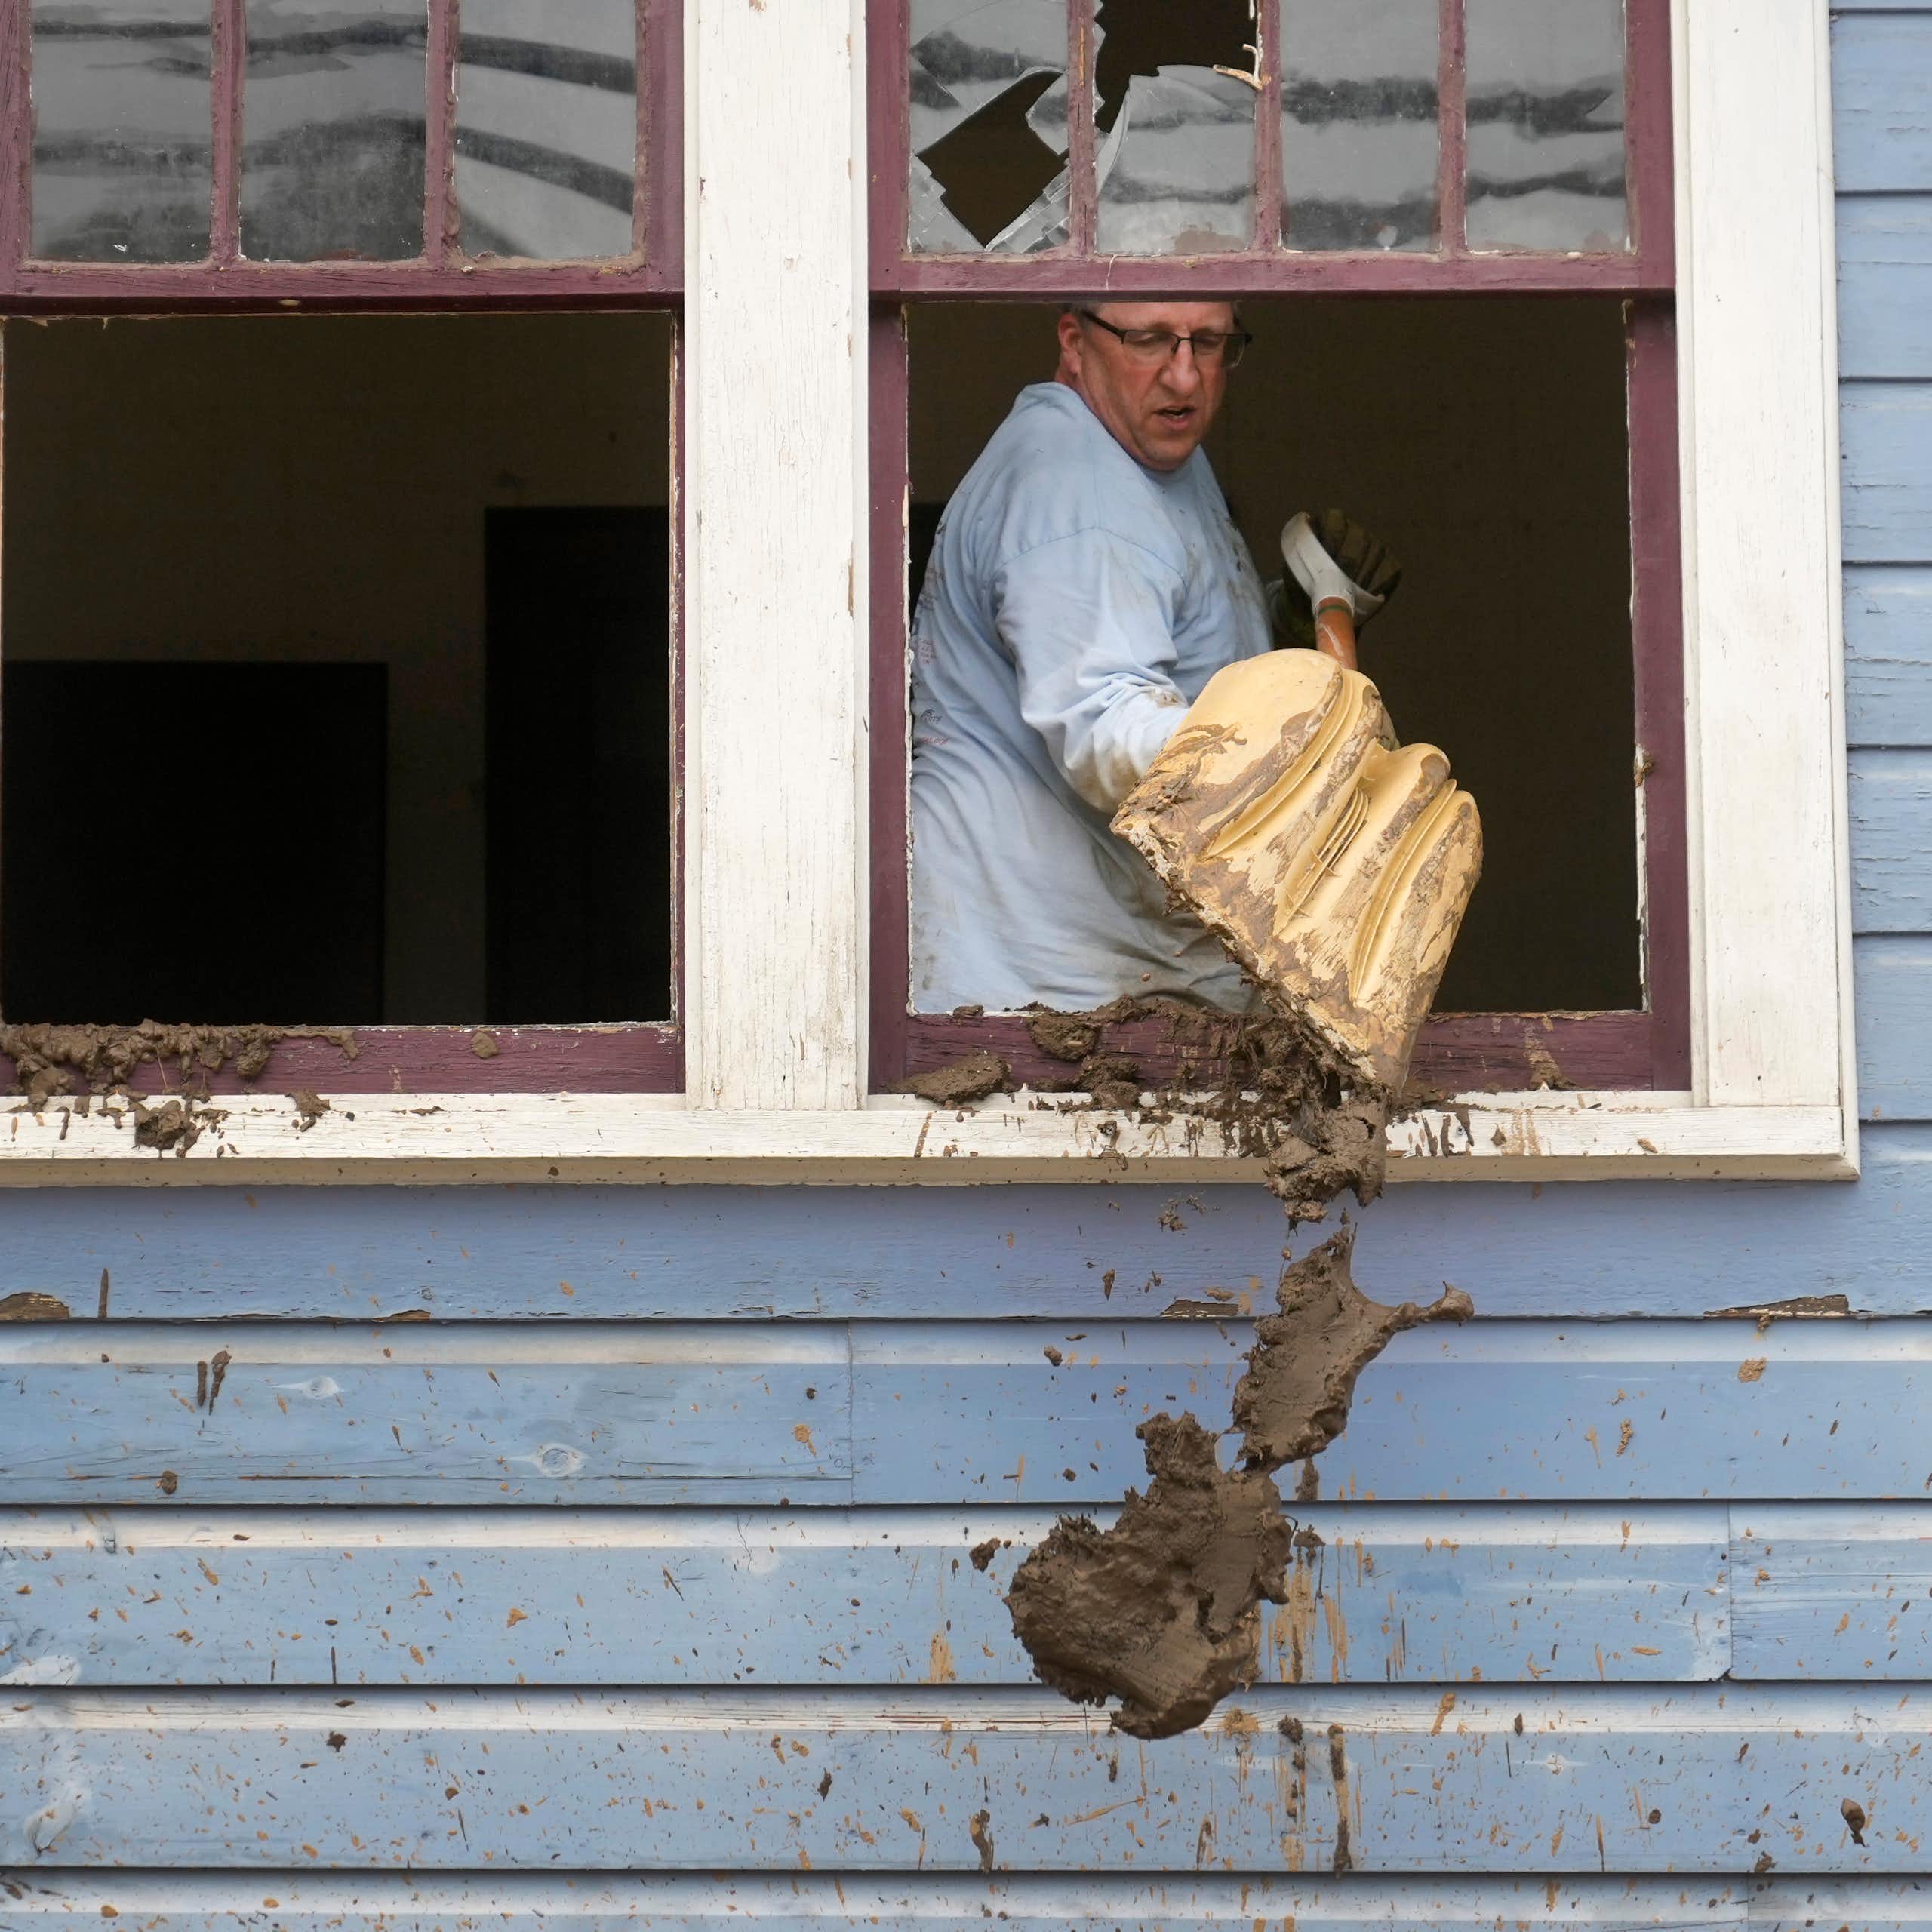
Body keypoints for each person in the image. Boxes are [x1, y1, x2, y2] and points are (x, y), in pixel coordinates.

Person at [909, 299, 1270, 1014]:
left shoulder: (1146, 448)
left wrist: (1293, 612)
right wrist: (1289, 751)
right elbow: (1105, 727)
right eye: (1151, 342)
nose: (1185, 378)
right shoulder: (1077, 487)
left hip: (1103, 962)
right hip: (1042, 993)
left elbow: (1149, 625)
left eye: (1209, 344)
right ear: (1075, 343)